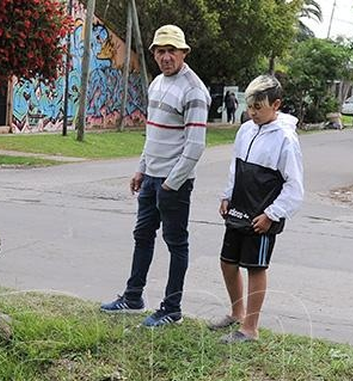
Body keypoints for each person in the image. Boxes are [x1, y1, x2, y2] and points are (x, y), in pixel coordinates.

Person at [99, 25, 210, 328]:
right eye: (160, 51)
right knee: (142, 236)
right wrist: (141, 168)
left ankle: (171, 308)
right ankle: (133, 296)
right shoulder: (157, 83)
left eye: (171, 50)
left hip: (174, 183)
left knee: (176, 243)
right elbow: (152, 135)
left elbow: (196, 145)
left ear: (184, 52)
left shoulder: (194, 90)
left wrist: (171, 183)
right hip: (151, 178)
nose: (166, 57)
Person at [211, 74, 304, 344]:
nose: (252, 113)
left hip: (263, 217)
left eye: (258, 108)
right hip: (239, 210)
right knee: (227, 263)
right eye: (249, 107)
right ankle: (236, 313)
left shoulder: (286, 139)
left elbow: (294, 187)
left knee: (255, 267)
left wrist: (271, 214)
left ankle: (250, 328)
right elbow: (235, 166)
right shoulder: (246, 130)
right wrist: (227, 195)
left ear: (276, 105)